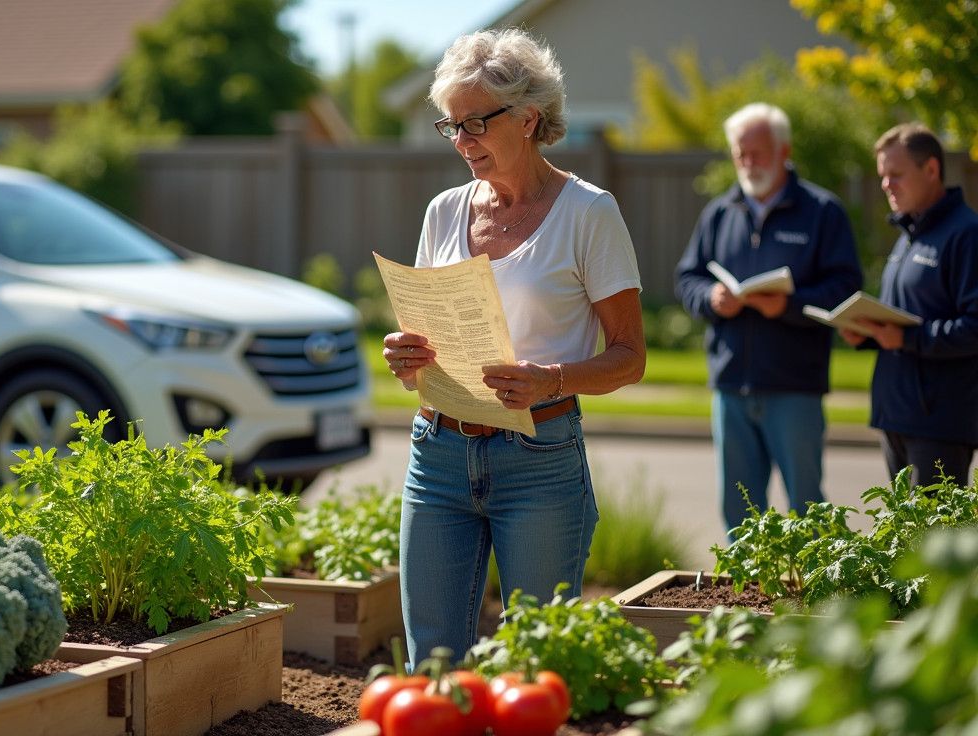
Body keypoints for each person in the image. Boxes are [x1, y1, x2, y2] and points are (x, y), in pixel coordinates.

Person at [383, 28, 645, 664]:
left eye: (475, 123)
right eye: (451, 126)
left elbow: (630, 356)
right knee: (431, 667)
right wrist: (407, 359)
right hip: (437, 456)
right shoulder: (443, 211)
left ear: (529, 117)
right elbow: (425, 350)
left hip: (540, 460)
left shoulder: (589, 212)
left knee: (536, 664)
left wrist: (551, 379)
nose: (462, 142)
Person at [674, 103, 862, 537]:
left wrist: (788, 308)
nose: (748, 163)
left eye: (756, 153)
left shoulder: (822, 212)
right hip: (731, 387)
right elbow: (688, 278)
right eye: (740, 154)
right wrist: (711, 298)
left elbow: (844, 287)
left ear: (784, 150)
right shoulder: (720, 213)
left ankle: (816, 601)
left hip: (794, 386)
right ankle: (744, 603)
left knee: (807, 508)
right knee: (738, 513)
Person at [839, 123, 978, 486]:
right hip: (896, 416)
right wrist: (867, 334)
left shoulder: (966, 235)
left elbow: (975, 327)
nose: (886, 184)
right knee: (903, 541)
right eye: (883, 176)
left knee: (932, 541)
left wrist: (905, 339)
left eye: (895, 174)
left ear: (931, 170)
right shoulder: (908, 236)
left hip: (940, 423)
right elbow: (903, 317)